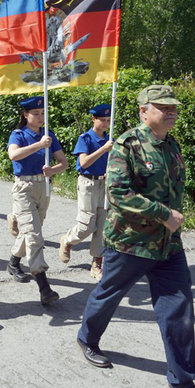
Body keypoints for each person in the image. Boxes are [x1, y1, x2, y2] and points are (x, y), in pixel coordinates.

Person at [76, 85, 195, 388]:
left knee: (179, 308)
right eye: (163, 107)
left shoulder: (171, 144)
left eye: (173, 107)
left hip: (168, 246)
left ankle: (182, 380)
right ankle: (87, 339)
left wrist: (170, 222)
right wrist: (163, 214)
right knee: (109, 294)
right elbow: (118, 194)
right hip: (130, 243)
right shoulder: (127, 144)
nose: (171, 112)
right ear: (144, 111)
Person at [4, 96, 68, 305]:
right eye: (36, 114)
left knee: (31, 229)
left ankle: (14, 262)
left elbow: (64, 163)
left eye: (43, 114)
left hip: (44, 186)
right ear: (26, 115)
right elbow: (13, 155)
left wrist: (53, 170)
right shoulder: (19, 134)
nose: (41, 117)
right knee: (33, 234)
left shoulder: (49, 135)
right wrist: (38, 145)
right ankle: (44, 286)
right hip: (23, 187)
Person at [59, 104, 114, 280]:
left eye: (108, 120)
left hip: (104, 183)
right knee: (87, 225)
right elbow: (83, 163)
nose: (105, 124)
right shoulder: (86, 139)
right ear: (93, 119)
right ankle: (67, 240)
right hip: (88, 183)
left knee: (103, 225)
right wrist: (103, 149)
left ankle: (97, 262)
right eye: (102, 120)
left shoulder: (111, 139)